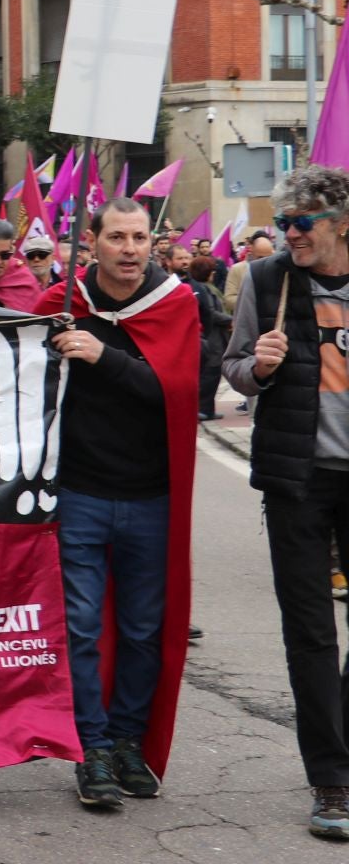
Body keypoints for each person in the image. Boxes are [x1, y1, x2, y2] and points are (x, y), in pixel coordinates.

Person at [33, 197, 200, 811]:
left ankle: (129, 739)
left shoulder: (175, 304)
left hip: (150, 496)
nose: (130, 249)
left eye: (139, 238)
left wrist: (103, 357)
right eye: (118, 238)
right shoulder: (61, 304)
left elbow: (176, 393)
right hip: (78, 492)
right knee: (79, 628)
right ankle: (92, 747)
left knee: (141, 631)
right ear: (92, 241)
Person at [221, 166, 349, 840]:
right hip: (297, 479)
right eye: (284, 221)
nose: (290, 234)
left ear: (341, 223)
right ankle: (331, 779)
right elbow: (235, 365)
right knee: (310, 634)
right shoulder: (270, 282)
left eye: (303, 222)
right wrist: (260, 367)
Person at [187, 255, 229, 420]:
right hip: (212, 337)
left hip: (217, 335)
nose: (213, 274)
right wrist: (230, 320)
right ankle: (202, 408)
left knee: (214, 374)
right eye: (211, 271)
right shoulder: (203, 289)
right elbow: (211, 313)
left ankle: (208, 409)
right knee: (210, 373)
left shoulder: (208, 288)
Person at [225, 234, 276, 314]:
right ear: (251, 250)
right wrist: (254, 301)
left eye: (268, 258)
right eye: (260, 257)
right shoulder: (237, 269)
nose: (264, 261)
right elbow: (229, 300)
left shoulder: (276, 269)